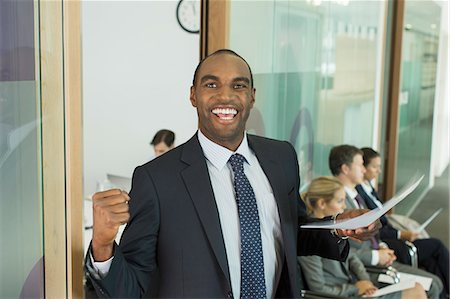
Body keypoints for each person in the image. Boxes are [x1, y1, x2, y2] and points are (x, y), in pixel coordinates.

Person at [85, 49, 379, 298]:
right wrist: (102, 245)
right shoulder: (157, 179)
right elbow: (132, 287)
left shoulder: (281, 157)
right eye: (211, 85)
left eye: (238, 86)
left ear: (252, 96)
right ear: (193, 95)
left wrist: (337, 226)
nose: (225, 96)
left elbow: (290, 230)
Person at [329, 144, 444, 299]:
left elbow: (371, 231)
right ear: (345, 169)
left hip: (379, 257)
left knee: (435, 283)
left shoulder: (356, 195)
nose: (364, 170)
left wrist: (382, 246)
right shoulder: (335, 203)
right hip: (364, 269)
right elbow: (342, 249)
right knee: (432, 286)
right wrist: (376, 256)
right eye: (360, 164)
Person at [299, 176, 426, 298]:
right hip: (343, 294)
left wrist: (366, 282)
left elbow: (352, 258)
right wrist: (357, 288)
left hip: (356, 287)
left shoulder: (334, 231)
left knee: (418, 287)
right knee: (416, 291)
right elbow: (318, 289)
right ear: (322, 203)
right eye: (340, 201)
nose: (344, 207)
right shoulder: (309, 238)